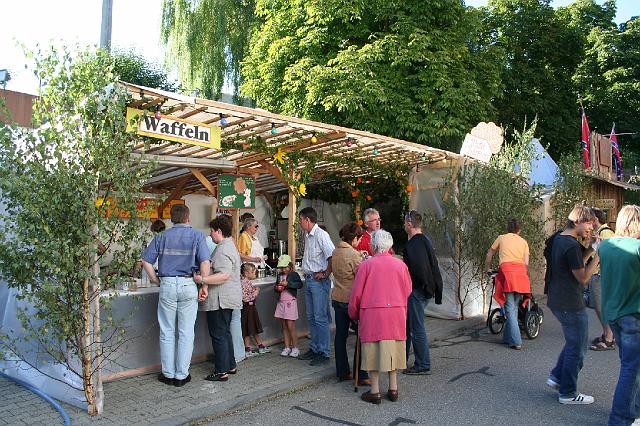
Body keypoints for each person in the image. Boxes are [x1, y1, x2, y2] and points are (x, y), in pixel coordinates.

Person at [141, 204, 213, 387]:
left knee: (167, 331)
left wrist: (156, 280)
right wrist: (204, 284)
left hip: (167, 285)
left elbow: (146, 261)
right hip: (188, 284)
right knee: (186, 332)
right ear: (188, 217)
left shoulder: (161, 236)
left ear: (172, 218)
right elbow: (205, 262)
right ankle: (181, 375)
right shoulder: (197, 236)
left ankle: (168, 374)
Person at [349, 230, 412, 404]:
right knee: (393, 349)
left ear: (374, 246)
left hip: (373, 315)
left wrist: (353, 313)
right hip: (396, 314)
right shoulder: (401, 265)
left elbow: (356, 295)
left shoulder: (366, 266)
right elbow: (408, 290)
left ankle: (375, 391)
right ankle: (393, 388)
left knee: (373, 352)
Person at [546, 205, 599, 405]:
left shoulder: (561, 239)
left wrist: (591, 248)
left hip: (559, 300)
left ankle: (557, 377)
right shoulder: (570, 245)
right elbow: (583, 277)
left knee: (573, 342)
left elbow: (576, 262)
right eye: (589, 223)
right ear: (577, 221)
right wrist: (599, 256)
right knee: (578, 347)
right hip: (570, 303)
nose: (591, 228)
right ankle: (568, 393)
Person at [598, 204, 640, 426]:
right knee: (631, 369)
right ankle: (620, 419)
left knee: (631, 365)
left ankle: (633, 411)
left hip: (613, 314)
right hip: (633, 314)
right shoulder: (637, 247)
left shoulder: (606, 246)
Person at [196, 215, 242, 382]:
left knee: (218, 334)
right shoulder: (229, 245)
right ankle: (230, 365)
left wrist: (203, 279)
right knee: (225, 332)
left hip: (220, 299)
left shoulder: (223, 249)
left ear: (219, 231)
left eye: (212, 231)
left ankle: (221, 371)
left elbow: (223, 275)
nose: (210, 234)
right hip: (227, 297)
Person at [402, 210, 443, 375]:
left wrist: (421, 286)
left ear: (409, 224)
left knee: (416, 328)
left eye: (405, 223)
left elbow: (419, 268)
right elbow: (432, 264)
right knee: (410, 325)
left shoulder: (413, 244)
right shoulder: (425, 240)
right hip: (426, 289)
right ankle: (402, 358)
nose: (404, 225)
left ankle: (422, 364)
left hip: (417, 290)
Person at [330, 222, 369, 385]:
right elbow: (360, 277)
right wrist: (363, 259)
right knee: (361, 336)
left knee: (340, 336)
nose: (359, 242)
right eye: (359, 239)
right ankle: (361, 375)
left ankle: (343, 372)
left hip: (337, 297)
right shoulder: (353, 255)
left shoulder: (336, 251)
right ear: (354, 239)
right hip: (351, 300)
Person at [485, 218, 531, 350]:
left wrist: (487, 268)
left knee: (509, 307)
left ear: (508, 228)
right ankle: (507, 337)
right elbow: (526, 263)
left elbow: (489, 254)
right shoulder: (524, 242)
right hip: (521, 275)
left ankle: (516, 341)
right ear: (519, 230)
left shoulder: (501, 238)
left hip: (507, 274)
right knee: (513, 307)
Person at [298, 206, 335, 365]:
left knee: (320, 317)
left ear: (307, 220)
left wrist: (326, 273)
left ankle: (324, 352)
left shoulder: (321, 235)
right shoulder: (308, 235)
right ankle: (315, 348)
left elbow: (331, 256)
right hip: (310, 278)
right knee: (312, 317)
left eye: (301, 220)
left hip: (318, 281)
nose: (300, 223)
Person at [587, 208, 616, 351]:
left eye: (589, 219)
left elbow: (610, 254)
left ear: (595, 220)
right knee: (599, 307)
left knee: (601, 307)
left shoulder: (605, 233)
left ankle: (609, 338)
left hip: (601, 275)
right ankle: (607, 334)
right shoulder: (600, 233)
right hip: (599, 274)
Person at [274, 254, 303, 358]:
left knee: (291, 326)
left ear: (290, 266)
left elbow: (300, 285)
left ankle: (295, 348)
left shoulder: (294, 274)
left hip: (290, 302)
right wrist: (277, 287)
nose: (283, 269)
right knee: (284, 326)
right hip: (281, 302)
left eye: (285, 267)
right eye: (281, 267)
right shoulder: (279, 276)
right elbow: (275, 287)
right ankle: (287, 347)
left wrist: (288, 284)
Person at [240, 263, 271, 356]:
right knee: (253, 327)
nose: (255, 274)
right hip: (249, 308)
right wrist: (256, 291)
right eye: (253, 272)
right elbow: (247, 298)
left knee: (246, 329)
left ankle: (248, 349)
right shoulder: (246, 283)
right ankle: (260, 347)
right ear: (246, 273)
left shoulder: (242, 282)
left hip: (246, 308)